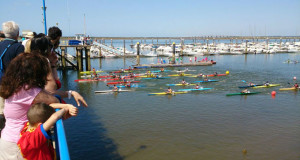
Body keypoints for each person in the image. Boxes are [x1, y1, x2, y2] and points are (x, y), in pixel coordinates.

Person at [0, 53, 79, 159]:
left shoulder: (14, 85)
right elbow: (53, 98)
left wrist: (69, 94)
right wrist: (66, 105)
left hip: (7, 139)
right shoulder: (29, 90)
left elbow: (48, 94)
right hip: (21, 144)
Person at [0, 21, 24, 138]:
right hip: (12, 83)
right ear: (17, 33)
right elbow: (21, 66)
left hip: (0, 82)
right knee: (12, 110)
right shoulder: (18, 47)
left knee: (1, 109)